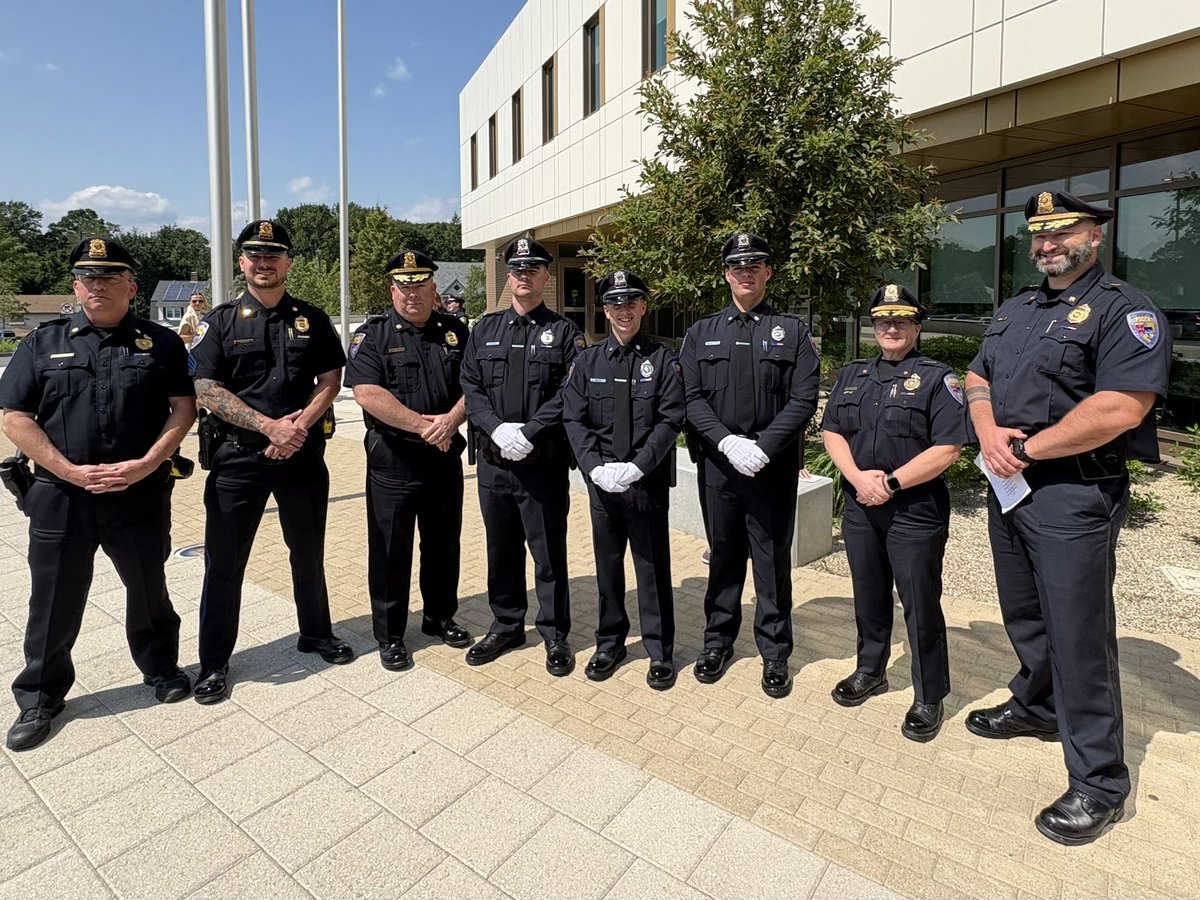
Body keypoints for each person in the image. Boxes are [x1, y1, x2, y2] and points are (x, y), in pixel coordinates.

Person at [964, 191, 1172, 845]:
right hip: (1011, 489)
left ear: (1094, 235)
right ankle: (1037, 706)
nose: (1048, 244)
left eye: (1062, 232)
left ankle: (1100, 783)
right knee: (1025, 614)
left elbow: (1122, 407)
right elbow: (974, 377)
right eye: (1040, 235)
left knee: (1079, 637)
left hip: (1072, 496)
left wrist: (1024, 448)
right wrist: (990, 433)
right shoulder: (1017, 309)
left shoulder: (1125, 310)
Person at [0, 238, 196, 750]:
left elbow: (182, 409)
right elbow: (14, 417)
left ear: (131, 286)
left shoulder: (161, 344)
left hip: (138, 493)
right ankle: (40, 696)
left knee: (149, 588)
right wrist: (66, 469)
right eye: (88, 277)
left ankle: (161, 668)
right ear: (75, 287)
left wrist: (147, 464)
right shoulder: (40, 344)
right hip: (61, 496)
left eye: (110, 277)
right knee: (54, 598)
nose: (98, 286)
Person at [189, 220, 351, 704]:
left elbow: (330, 379)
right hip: (238, 458)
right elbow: (205, 388)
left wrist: (296, 429)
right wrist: (268, 427)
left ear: (288, 263)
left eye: (273, 254)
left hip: (301, 456)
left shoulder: (312, 318)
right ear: (242, 263)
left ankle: (316, 633)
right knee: (225, 563)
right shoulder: (220, 321)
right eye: (254, 255)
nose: (264, 262)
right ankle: (214, 662)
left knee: (308, 552)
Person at [821, 284, 968, 742]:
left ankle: (929, 694)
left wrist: (889, 482)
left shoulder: (937, 378)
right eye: (883, 320)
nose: (890, 327)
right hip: (863, 506)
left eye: (901, 320)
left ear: (916, 327)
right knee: (869, 594)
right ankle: (871, 670)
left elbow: (949, 447)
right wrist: (860, 479)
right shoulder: (853, 375)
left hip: (913, 509)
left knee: (920, 602)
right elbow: (833, 432)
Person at [679, 232, 820, 698]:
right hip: (720, 469)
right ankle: (717, 641)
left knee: (771, 560)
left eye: (755, 264)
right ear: (726, 274)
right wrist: (725, 443)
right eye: (738, 265)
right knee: (722, 557)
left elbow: (803, 399)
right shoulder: (701, 333)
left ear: (767, 273)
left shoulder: (793, 332)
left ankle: (775, 652)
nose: (746, 271)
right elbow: (691, 398)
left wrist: (765, 445)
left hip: (772, 468)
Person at [460, 237, 584, 675]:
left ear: (546, 277)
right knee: (502, 549)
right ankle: (507, 624)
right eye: (517, 269)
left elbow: (570, 391)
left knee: (548, 552)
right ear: (508, 276)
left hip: (543, 463)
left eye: (533, 269)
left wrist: (529, 431)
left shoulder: (567, 333)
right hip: (495, 463)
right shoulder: (485, 330)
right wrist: (495, 428)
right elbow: (470, 386)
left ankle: (554, 633)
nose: (524, 275)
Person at [344, 249, 473, 671]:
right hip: (394, 461)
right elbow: (367, 392)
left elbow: (474, 384)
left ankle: (439, 617)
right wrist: (424, 426)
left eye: (420, 285)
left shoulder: (454, 331)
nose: (412, 293)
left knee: (442, 544)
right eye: (404, 285)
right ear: (392, 289)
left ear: (433, 288)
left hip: (443, 459)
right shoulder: (373, 335)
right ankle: (390, 634)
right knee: (389, 550)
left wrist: (453, 419)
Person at [563, 270, 684, 689]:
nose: (624, 310)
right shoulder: (588, 361)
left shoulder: (664, 359)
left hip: (644, 483)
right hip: (603, 486)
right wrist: (593, 467)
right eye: (615, 303)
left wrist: (639, 466)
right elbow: (573, 418)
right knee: (608, 567)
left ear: (644, 307)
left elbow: (671, 418)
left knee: (651, 569)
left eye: (632, 302)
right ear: (605, 309)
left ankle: (660, 650)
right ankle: (610, 641)